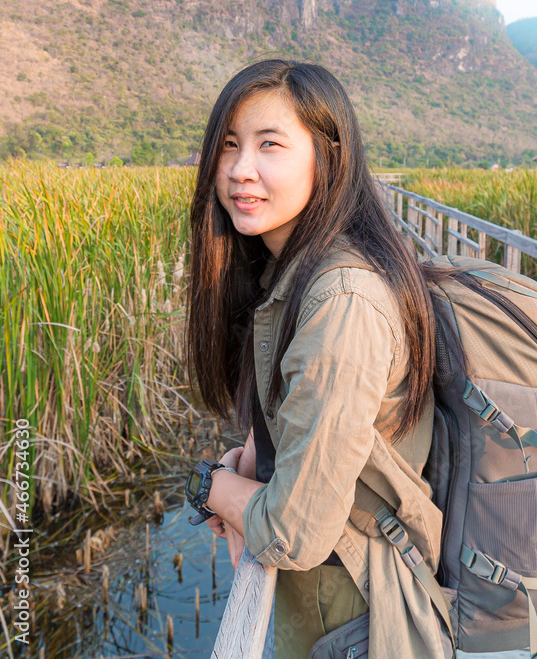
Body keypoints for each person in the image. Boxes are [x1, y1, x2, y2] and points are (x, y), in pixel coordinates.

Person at [185, 58, 457, 659]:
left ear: (326, 158)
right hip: (330, 605)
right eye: (229, 145)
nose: (238, 170)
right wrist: (249, 468)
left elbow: (291, 532)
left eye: (269, 145)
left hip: (352, 619)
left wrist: (211, 487)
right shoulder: (293, 275)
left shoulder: (343, 300)